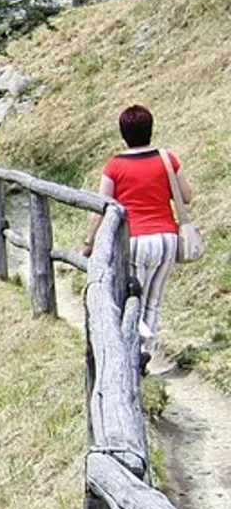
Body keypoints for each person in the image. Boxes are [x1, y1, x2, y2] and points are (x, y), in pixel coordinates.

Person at [83, 105, 192, 372]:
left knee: (129, 297)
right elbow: (186, 196)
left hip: (134, 241)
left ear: (123, 133)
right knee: (154, 299)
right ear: (150, 128)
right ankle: (144, 349)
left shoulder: (115, 166)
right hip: (167, 238)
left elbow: (103, 207)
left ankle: (132, 349)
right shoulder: (168, 159)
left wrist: (89, 242)